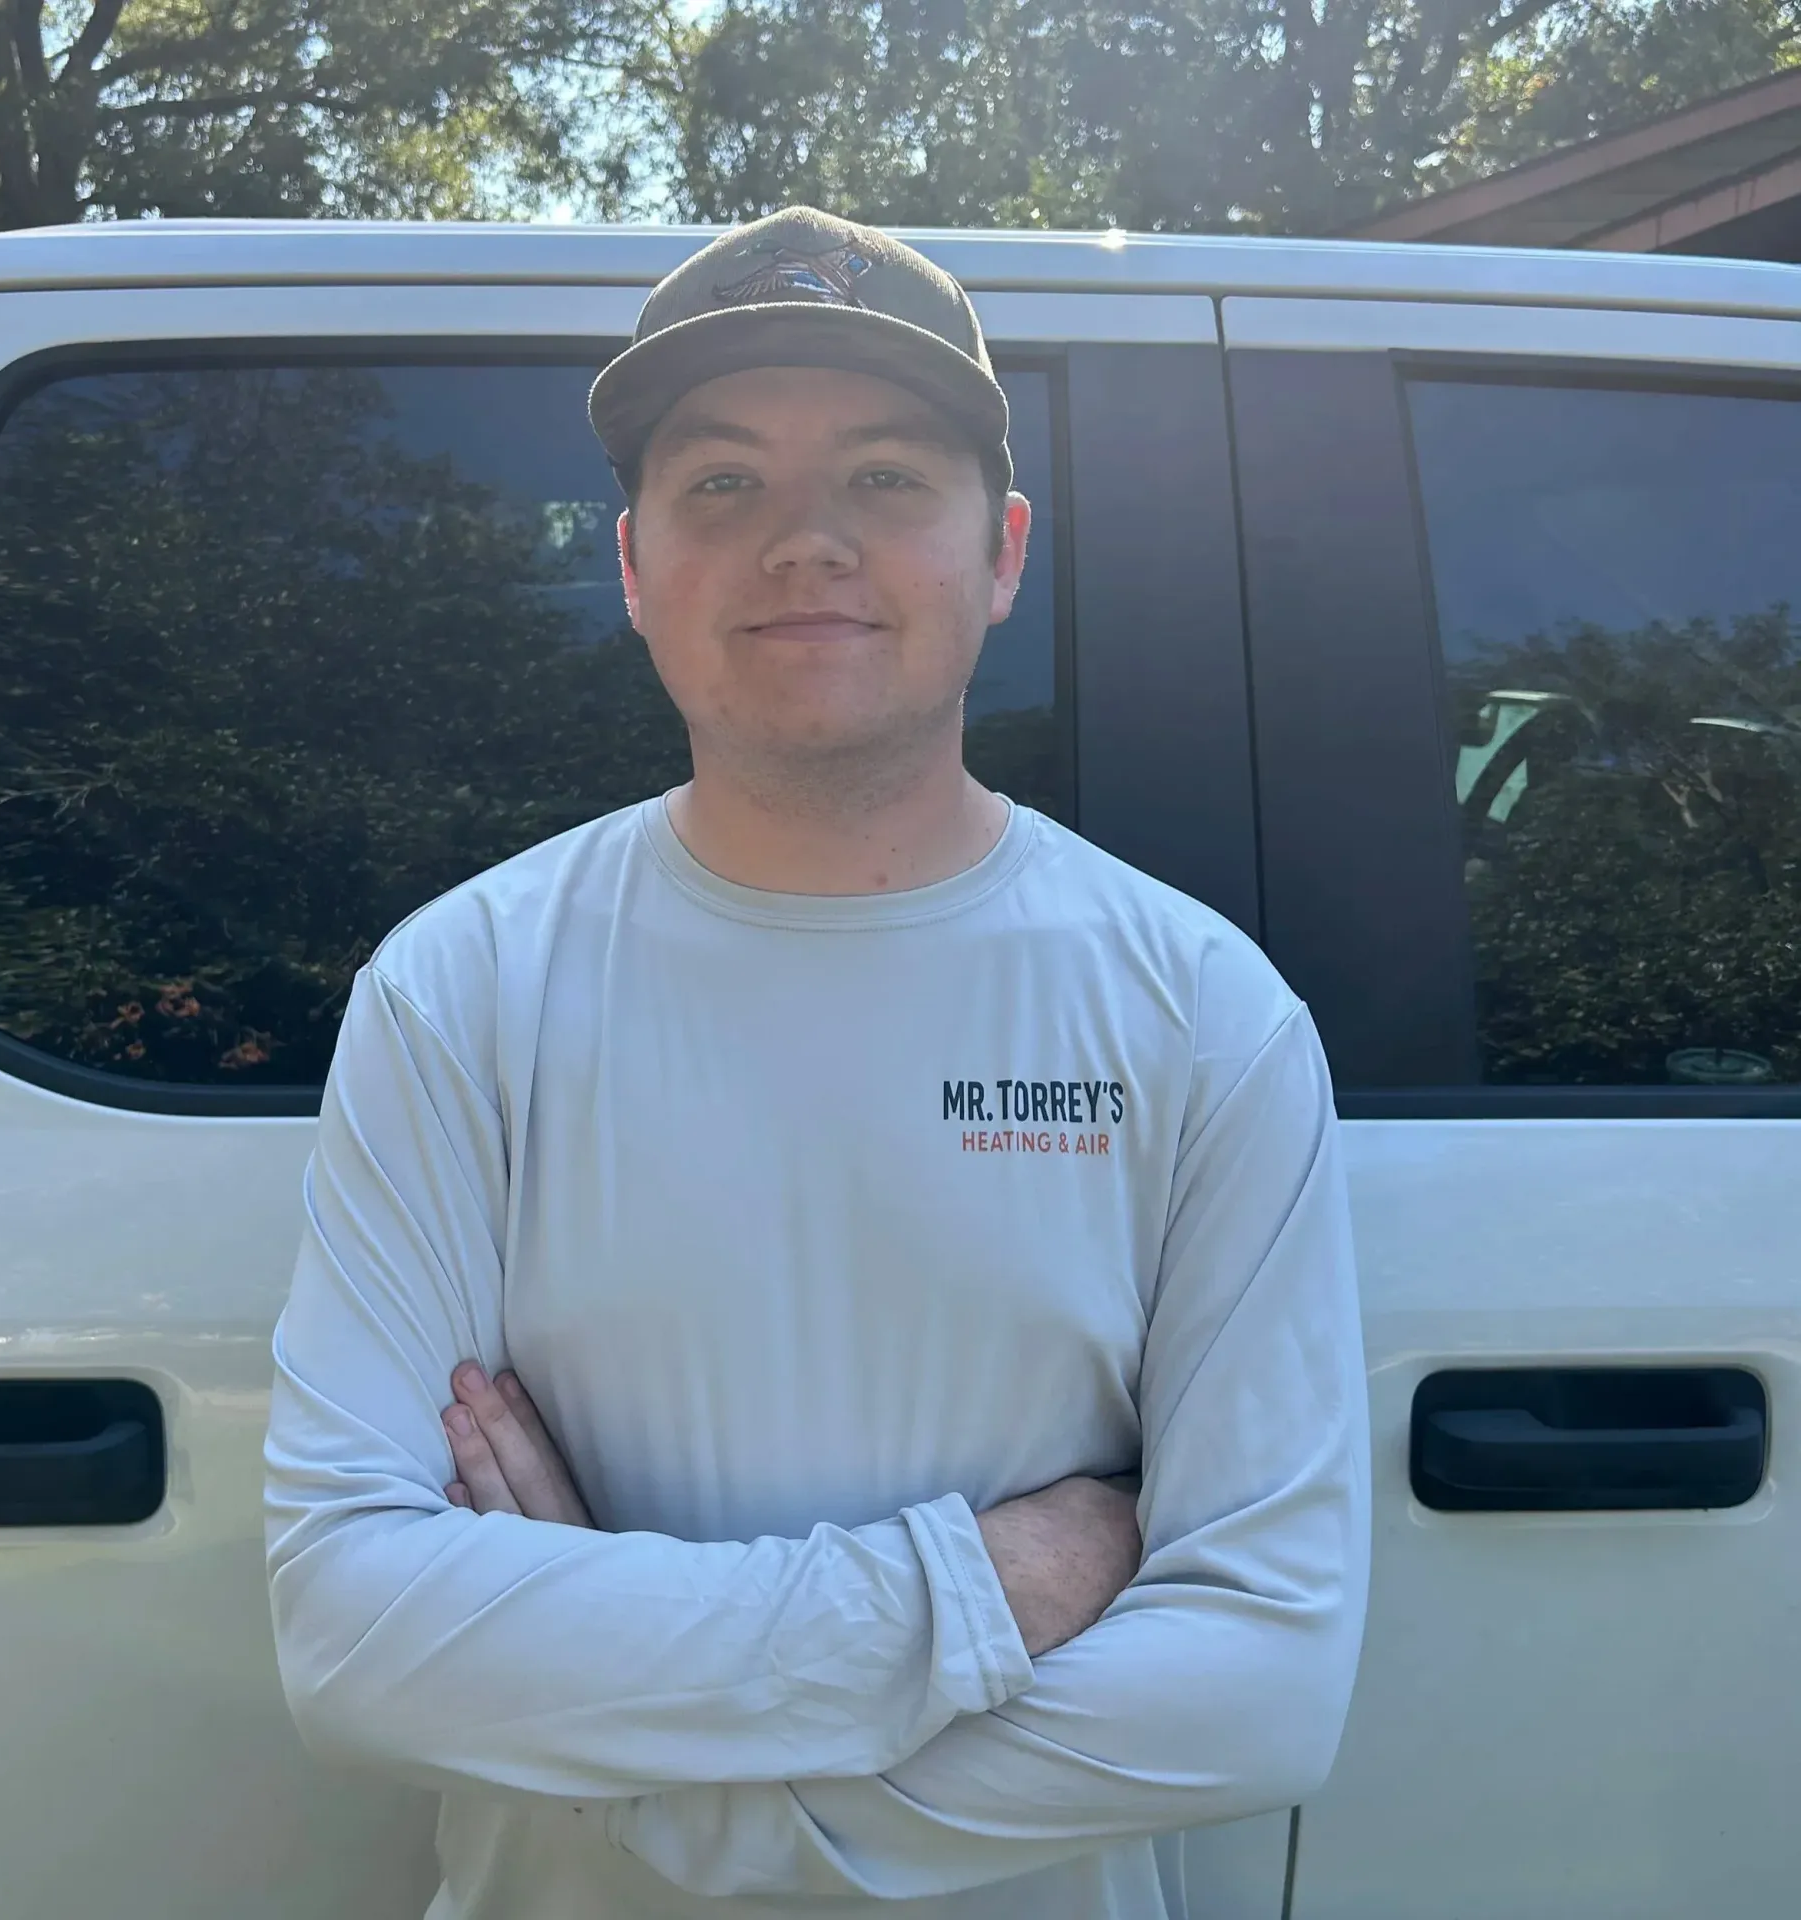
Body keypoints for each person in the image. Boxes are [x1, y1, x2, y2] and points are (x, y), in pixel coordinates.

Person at [263, 205, 1373, 1920]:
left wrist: (690, 1808)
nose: (804, 543)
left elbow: (1261, 1685)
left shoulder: (1199, 1012)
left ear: (1001, 553)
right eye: (720, 484)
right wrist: (984, 1589)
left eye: (883, 480)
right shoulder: (459, 991)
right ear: (632, 566)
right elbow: (353, 1637)